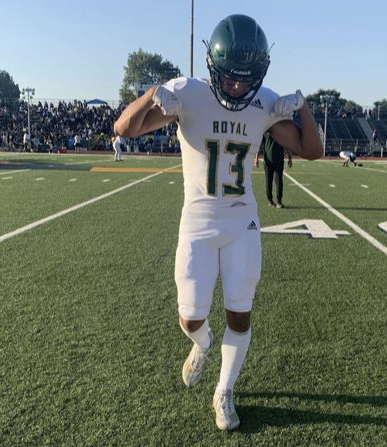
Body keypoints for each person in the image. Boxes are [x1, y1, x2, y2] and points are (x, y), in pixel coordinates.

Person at [113, 13, 322, 431]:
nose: (238, 87)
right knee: (190, 318)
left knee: (239, 315)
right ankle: (202, 345)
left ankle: (224, 391)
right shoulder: (188, 93)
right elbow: (123, 127)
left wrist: (303, 107)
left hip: (241, 220)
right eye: (231, 78)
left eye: (247, 79)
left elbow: (312, 150)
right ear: (213, 66)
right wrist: (155, 93)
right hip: (197, 221)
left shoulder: (264, 101)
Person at [255, 132, 292, 208]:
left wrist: (290, 157)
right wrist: (256, 159)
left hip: (278, 160)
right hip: (268, 161)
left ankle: (279, 201)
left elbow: (287, 144)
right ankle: (270, 200)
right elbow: (259, 145)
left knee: (279, 181)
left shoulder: (280, 131)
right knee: (268, 181)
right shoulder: (265, 131)